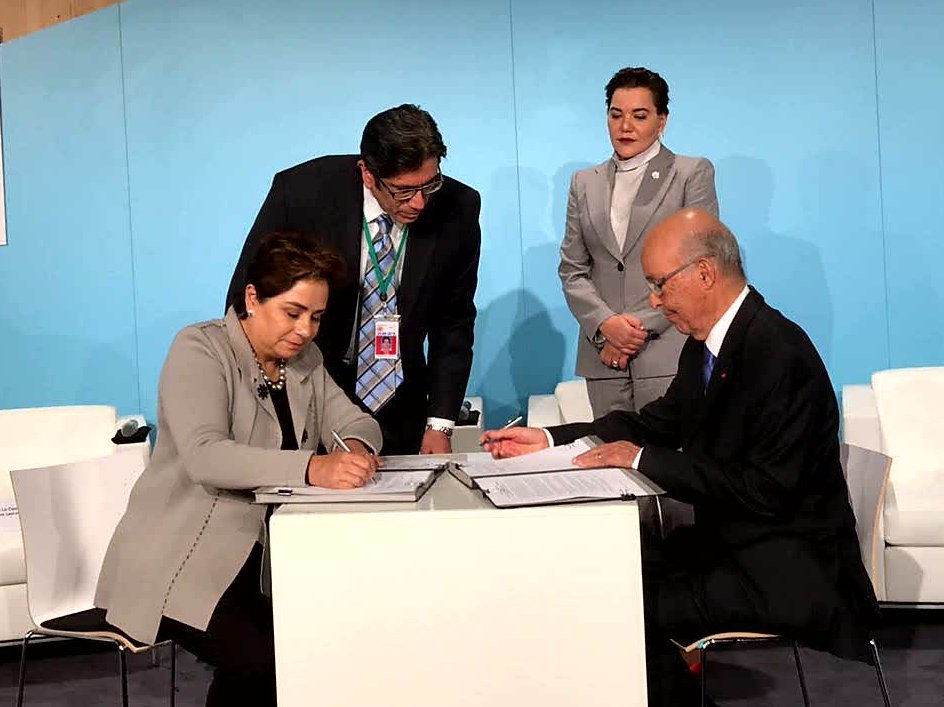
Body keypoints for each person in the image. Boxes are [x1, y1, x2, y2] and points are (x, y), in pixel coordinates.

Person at [485, 210, 880, 706]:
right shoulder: (707, 347)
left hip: (786, 566)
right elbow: (654, 423)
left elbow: (766, 491)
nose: (653, 301)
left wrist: (643, 459)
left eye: (659, 284)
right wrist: (549, 438)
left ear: (704, 274)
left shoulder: (779, 352)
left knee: (624, 606)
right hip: (733, 546)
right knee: (604, 574)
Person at [96, 232, 383, 706]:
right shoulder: (199, 349)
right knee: (261, 664)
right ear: (253, 298)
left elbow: (355, 419)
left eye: (316, 317)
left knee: (323, 645)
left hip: (265, 554)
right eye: (292, 313)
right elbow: (207, 454)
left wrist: (352, 447)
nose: (306, 331)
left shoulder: (304, 359)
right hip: (182, 554)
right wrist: (314, 468)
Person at [226, 104, 481, 455]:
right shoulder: (302, 193)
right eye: (403, 191)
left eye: (430, 184)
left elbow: (454, 321)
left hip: (400, 402)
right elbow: (245, 298)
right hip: (309, 394)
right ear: (367, 174)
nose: (420, 203)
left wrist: (440, 424)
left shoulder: (458, 206)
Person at [560, 67, 719, 418]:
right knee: (608, 460)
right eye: (616, 115)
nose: (625, 126)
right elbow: (572, 269)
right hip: (603, 356)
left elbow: (700, 264)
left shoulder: (690, 173)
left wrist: (634, 330)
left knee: (666, 463)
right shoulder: (585, 183)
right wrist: (605, 325)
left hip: (667, 350)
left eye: (639, 115)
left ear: (662, 121)